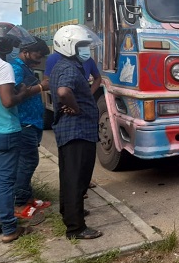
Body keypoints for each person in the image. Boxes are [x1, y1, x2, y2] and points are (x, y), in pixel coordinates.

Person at [49, 24, 103, 240]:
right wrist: (78, 108)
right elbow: (63, 91)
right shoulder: (69, 69)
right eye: (82, 46)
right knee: (76, 179)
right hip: (76, 131)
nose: (86, 50)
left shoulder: (66, 66)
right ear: (68, 46)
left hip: (74, 131)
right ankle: (76, 228)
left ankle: (70, 212)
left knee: (70, 177)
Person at [0, 22, 32, 243]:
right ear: (5, 44)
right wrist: (23, 93)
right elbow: (8, 101)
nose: (16, 48)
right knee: (5, 182)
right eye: (14, 43)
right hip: (5, 131)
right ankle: (9, 229)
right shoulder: (2, 67)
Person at [10, 37, 52, 221]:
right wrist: (40, 87)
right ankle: (19, 204)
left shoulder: (26, 67)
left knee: (29, 161)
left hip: (33, 122)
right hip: (24, 122)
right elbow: (13, 95)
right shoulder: (16, 68)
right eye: (37, 54)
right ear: (25, 51)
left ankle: (28, 198)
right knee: (27, 162)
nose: (39, 58)